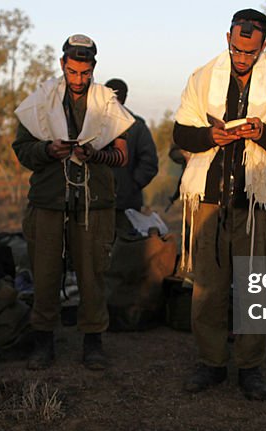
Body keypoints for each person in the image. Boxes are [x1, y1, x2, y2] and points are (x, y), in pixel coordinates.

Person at [173, 9, 266, 400]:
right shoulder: (202, 77)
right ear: (226, 39)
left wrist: (262, 132)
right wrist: (211, 135)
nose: (242, 57)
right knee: (208, 290)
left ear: (262, 46)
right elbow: (182, 131)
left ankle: (250, 367)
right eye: (236, 48)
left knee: (256, 289)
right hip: (210, 200)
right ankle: (212, 362)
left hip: (256, 201)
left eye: (250, 51)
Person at [13, 34, 133, 371]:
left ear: (93, 68)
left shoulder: (107, 103)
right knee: (45, 273)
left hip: (93, 204)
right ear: (62, 65)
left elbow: (121, 156)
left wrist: (95, 155)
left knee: (92, 274)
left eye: (85, 73)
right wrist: (47, 150)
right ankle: (43, 342)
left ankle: (93, 341)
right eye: (72, 72)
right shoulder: (40, 102)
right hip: (48, 201)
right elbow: (22, 150)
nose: (78, 79)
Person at [103, 78, 159, 234]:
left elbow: (149, 163)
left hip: (123, 204)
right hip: (107, 202)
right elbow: (150, 163)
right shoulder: (95, 123)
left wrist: (130, 186)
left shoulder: (135, 126)